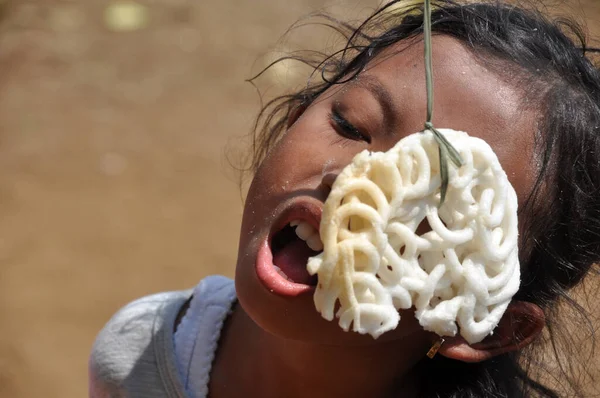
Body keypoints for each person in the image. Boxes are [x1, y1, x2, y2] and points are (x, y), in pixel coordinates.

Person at [88, 1, 600, 397]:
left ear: (488, 324)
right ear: (293, 119)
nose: (355, 180)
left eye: (439, 203)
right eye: (349, 125)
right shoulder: (139, 355)